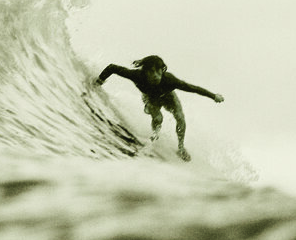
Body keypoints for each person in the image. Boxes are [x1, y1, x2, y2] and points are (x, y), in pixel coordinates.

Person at [93, 55, 224, 161]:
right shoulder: (137, 75)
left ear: (162, 70)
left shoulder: (170, 80)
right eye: (151, 72)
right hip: (151, 98)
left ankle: (181, 148)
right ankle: (155, 136)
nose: (155, 75)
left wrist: (213, 96)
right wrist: (99, 81)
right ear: (145, 72)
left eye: (158, 71)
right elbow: (112, 68)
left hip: (169, 97)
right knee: (158, 118)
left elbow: (193, 88)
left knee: (180, 117)